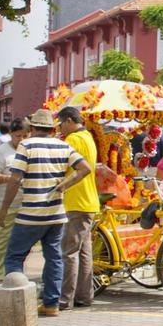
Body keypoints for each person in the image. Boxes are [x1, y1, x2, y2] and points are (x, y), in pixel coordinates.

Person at [0, 109, 92, 317]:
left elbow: (14, 179)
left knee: (14, 257)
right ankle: (51, 304)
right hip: (56, 214)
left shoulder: (26, 145)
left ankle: (16, 304)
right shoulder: (64, 145)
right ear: (52, 129)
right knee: (54, 258)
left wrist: (4, 209)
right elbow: (85, 168)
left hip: (30, 214)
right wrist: (65, 184)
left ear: (32, 128)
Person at [56, 107, 100, 311]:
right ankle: (84, 296)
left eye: (61, 124)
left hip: (76, 201)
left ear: (68, 120)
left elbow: (62, 167)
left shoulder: (73, 140)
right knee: (84, 252)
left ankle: (65, 299)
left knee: (69, 252)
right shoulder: (88, 137)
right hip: (89, 201)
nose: (61, 128)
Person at [0, 118, 29, 281]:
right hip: (4, 204)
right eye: (18, 136)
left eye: (25, 136)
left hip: (25, 205)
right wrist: (10, 179)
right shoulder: (2, 151)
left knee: (20, 245)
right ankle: (0, 277)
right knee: (2, 243)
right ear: (11, 134)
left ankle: (15, 276)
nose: (21, 140)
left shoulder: (28, 149)